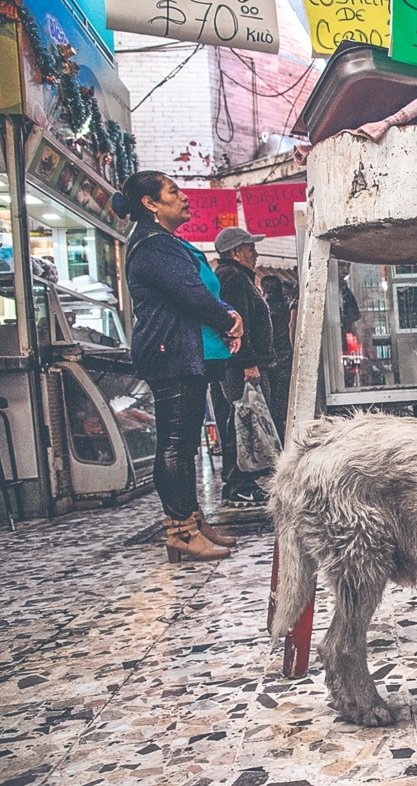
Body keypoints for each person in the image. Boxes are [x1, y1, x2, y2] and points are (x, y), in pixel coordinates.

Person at [115, 171, 241, 562]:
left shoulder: (161, 241)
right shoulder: (153, 245)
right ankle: (181, 532)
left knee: (183, 446)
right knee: (174, 444)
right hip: (169, 354)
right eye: (174, 191)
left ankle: (192, 521)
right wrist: (227, 318)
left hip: (177, 352)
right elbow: (192, 294)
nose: (184, 197)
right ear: (150, 203)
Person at [209, 227, 275, 508]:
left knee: (241, 421)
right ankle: (237, 484)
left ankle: (243, 481)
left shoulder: (233, 277)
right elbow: (238, 325)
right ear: (235, 252)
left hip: (236, 364)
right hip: (239, 366)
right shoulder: (233, 279)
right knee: (240, 422)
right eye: (250, 247)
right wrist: (248, 362)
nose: (255, 253)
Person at [260, 275, 293, 442]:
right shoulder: (288, 308)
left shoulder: (263, 309)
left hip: (271, 364)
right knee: (284, 408)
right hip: (287, 361)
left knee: (273, 410)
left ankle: (277, 442)